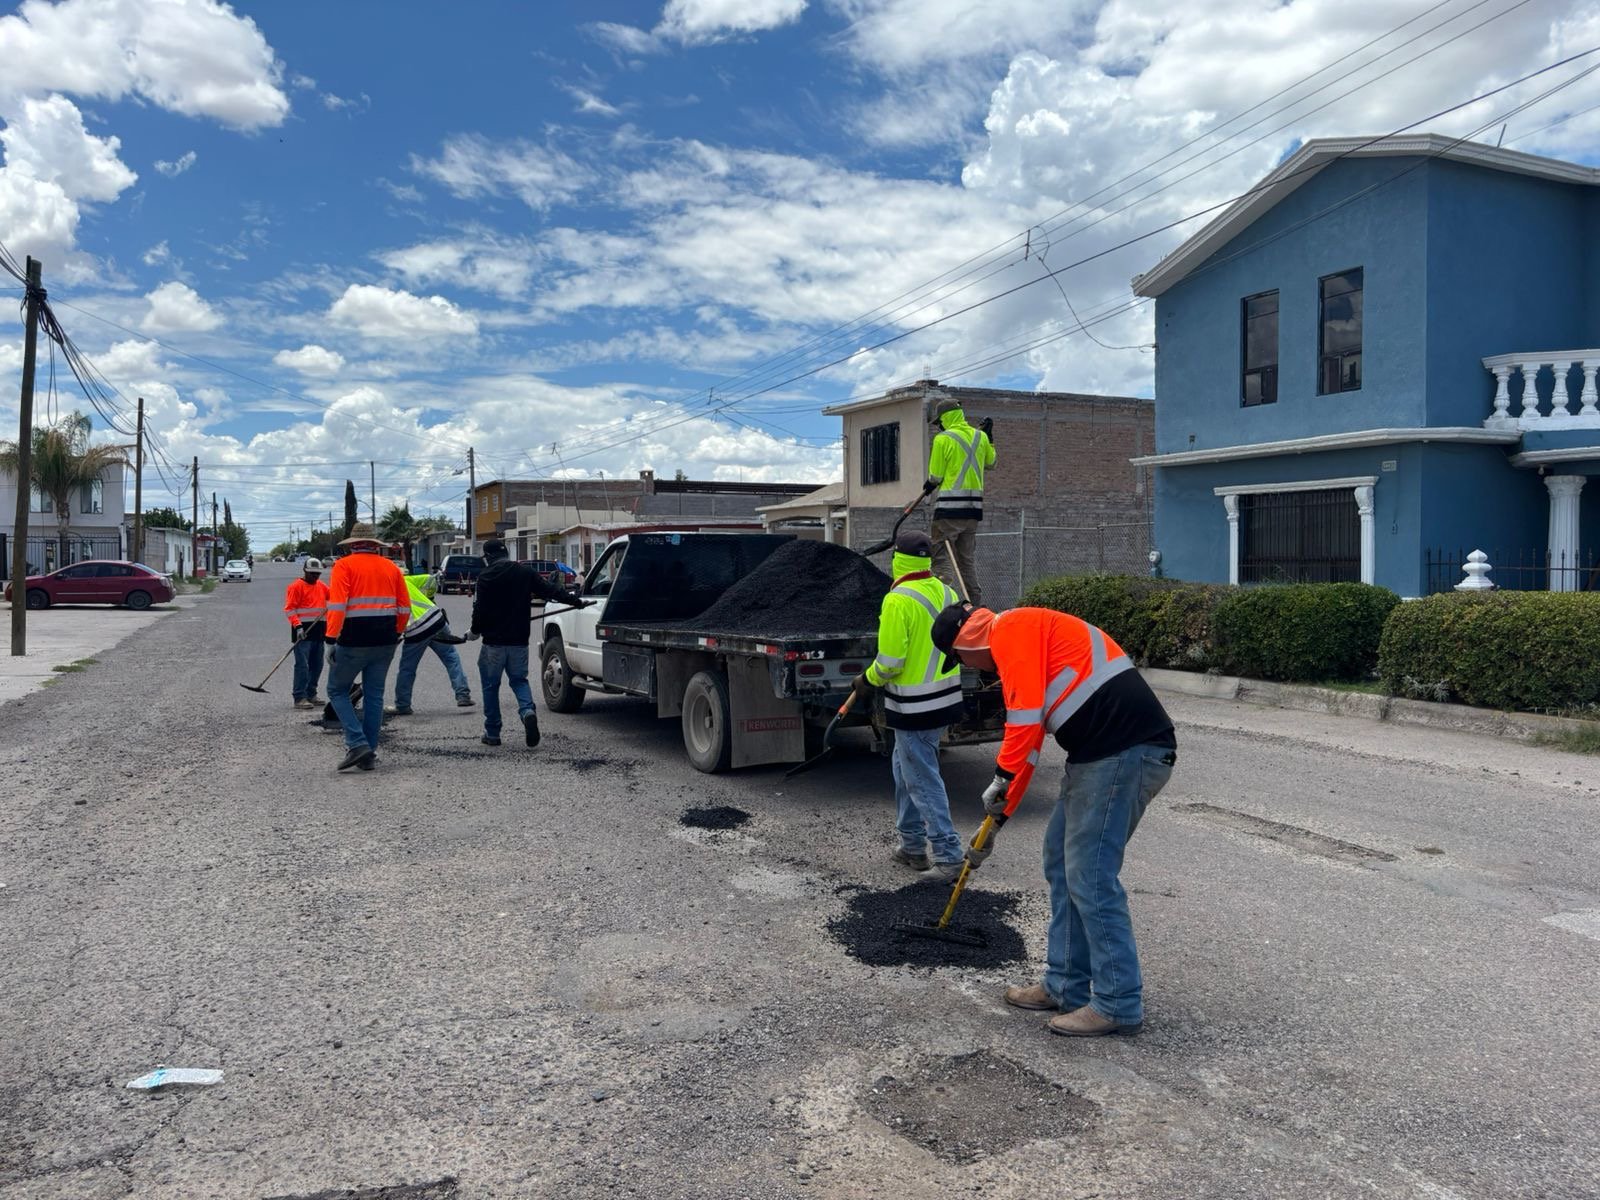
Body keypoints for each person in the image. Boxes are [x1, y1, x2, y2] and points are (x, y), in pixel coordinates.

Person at [932, 602, 1177, 1038]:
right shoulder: (1020, 632)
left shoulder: (1010, 632)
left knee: (1090, 875)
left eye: (960, 659)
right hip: (1099, 756)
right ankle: (1064, 984)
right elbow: (1029, 747)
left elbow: (1023, 725)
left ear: (965, 643)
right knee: (1061, 863)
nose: (969, 668)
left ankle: (1118, 1003)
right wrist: (1000, 816)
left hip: (1124, 753)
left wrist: (1000, 779)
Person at [851, 529, 966, 882]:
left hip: (915, 707)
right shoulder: (947, 592)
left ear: (897, 559)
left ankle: (948, 856)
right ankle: (912, 845)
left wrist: (867, 679)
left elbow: (890, 662)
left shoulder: (897, 599)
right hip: (944, 700)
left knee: (921, 779)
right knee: (905, 769)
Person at [471, 538, 581, 748]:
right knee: (519, 681)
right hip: (519, 641)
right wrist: (575, 601)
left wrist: (475, 631)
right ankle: (527, 711)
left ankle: (492, 733)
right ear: (505, 554)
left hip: (493, 644)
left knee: (490, 686)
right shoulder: (525, 572)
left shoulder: (485, 576)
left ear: (489, 557)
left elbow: (479, 609)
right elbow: (550, 590)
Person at [324, 524, 410, 772]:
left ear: (352, 545)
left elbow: (338, 606)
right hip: (386, 639)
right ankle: (368, 753)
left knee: (337, 690)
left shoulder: (344, 566)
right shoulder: (391, 567)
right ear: (375, 545)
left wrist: (330, 639)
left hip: (353, 639)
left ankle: (357, 743)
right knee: (374, 695)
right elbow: (404, 607)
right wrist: (396, 632)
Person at [921, 394, 995, 605]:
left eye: (939, 423)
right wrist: (989, 438)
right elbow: (991, 463)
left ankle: (942, 603)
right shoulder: (980, 437)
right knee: (966, 561)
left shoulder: (943, 439)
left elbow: (936, 476)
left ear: (946, 418)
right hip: (973, 511)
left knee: (940, 555)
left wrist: (929, 484)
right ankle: (975, 606)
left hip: (949, 510)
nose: (939, 427)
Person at [386, 571, 474, 716]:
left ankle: (402, 705)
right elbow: (430, 579)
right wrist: (430, 598)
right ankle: (463, 695)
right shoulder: (403, 580)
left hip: (415, 630)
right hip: (435, 620)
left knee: (407, 668)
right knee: (451, 657)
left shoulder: (383, 594)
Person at [283, 556, 329, 710]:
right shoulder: (296, 587)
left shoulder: (321, 586)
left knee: (317, 665)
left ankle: (311, 694)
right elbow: (290, 609)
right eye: (312, 573)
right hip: (303, 632)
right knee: (302, 665)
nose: (315, 576)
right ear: (305, 571)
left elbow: (334, 596)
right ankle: (299, 697)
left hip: (319, 631)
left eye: (317, 574)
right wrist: (298, 627)